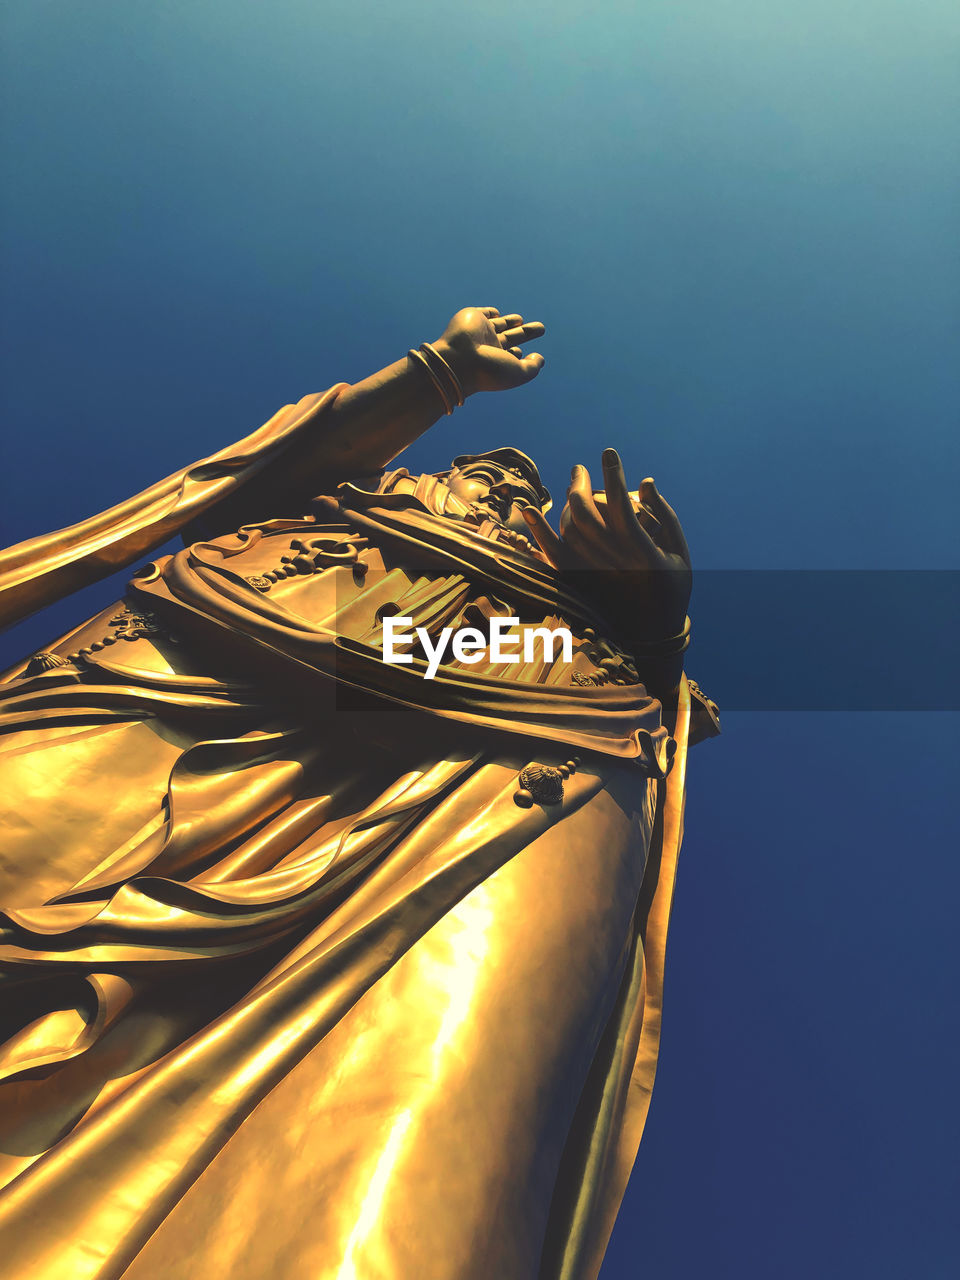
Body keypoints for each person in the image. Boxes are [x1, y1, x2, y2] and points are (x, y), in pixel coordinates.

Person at [0, 306, 718, 1280]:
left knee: (419, 1098)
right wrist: (436, 373)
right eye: (486, 470)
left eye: (524, 491)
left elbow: (628, 702)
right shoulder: (323, 519)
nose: (508, 482)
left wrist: (651, 618)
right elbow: (245, 473)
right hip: (201, 663)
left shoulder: (550, 637)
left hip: (494, 742)